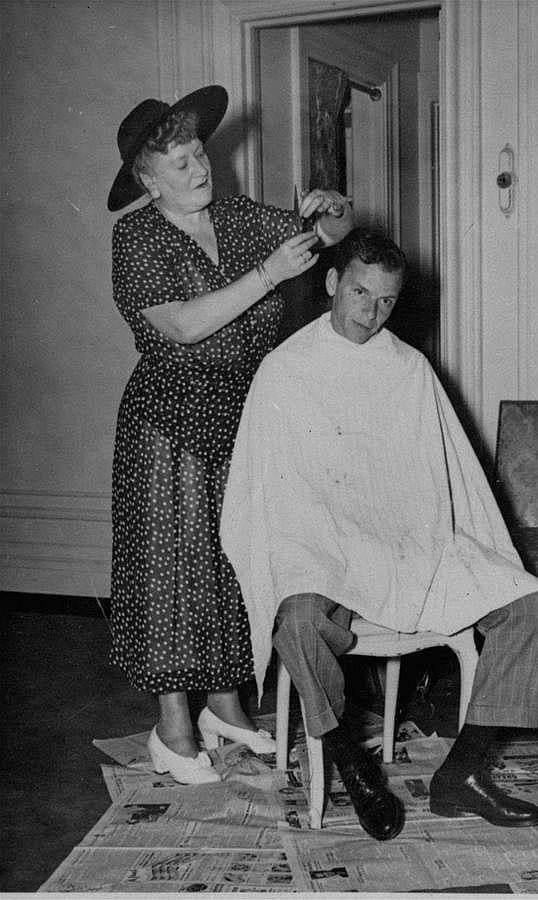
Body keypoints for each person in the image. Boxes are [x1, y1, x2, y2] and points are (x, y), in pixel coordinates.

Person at [220, 228, 538, 839]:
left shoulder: (410, 369)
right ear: (331, 283)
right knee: (297, 618)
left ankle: (464, 771)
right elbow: (270, 495)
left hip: (408, 544)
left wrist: (412, 542)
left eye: (384, 301)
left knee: (535, 605)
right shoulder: (286, 370)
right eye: (358, 292)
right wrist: (327, 543)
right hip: (321, 547)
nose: (368, 312)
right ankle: (349, 758)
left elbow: (442, 480)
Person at [107, 84, 353, 785]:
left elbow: (327, 234)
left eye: (198, 154)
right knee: (170, 570)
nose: (198, 168)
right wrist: (268, 273)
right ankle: (172, 724)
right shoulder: (138, 236)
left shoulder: (240, 216)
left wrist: (330, 209)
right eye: (179, 163)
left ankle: (228, 707)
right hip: (168, 419)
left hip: (242, 412)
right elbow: (182, 325)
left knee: (229, 564)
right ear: (148, 182)